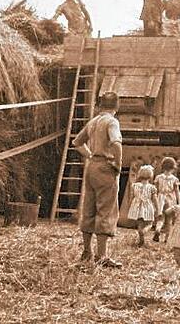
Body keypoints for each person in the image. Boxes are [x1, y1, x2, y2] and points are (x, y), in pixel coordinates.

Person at [72, 91, 124, 268]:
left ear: (100, 105)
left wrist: (91, 155)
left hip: (92, 167)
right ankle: (101, 256)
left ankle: (87, 251)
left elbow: (77, 143)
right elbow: (116, 143)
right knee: (106, 209)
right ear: (116, 106)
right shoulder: (112, 121)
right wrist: (117, 163)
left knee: (89, 208)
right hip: (105, 167)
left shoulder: (93, 121)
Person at [127, 165, 159, 247]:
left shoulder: (134, 186)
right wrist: (157, 209)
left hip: (137, 206)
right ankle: (144, 231)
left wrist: (130, 206)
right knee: (150, 223)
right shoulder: (152, 188)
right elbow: (155, 199)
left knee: (140, 222)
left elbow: (131, 197)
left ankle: (140, 233)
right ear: (150, 176)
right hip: (147, 206)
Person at [153, 157, 180, 242]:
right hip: (170, 200)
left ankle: (158, 229)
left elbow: (155, 190)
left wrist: (155, 201)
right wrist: (178, 203)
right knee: (169, 220)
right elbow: (177, 192)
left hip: (161, 199)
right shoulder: (174, 179)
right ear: (173, 168)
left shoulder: (158, 177)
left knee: (161, 218)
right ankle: (167, 239)